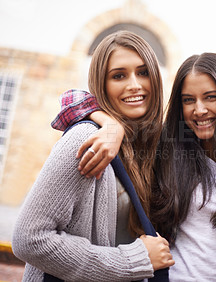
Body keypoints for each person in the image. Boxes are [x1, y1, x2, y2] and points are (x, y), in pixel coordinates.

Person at [50, 52, 216, 281]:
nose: (199, 110)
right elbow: (71, 100)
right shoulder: (167, 151)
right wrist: (111, 125)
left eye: (210, 97)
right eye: (188, 100)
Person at [12, 30, 174, 281]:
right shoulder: (88, 139)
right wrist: (134, 260)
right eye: (118, 75)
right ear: (102, 84)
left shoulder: (149, 147)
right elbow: (29, 239)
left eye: (143, 72)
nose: (134, 84)